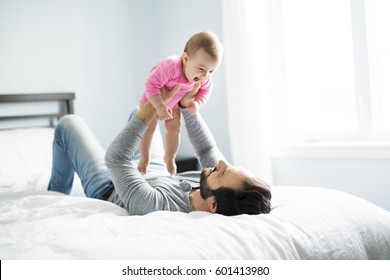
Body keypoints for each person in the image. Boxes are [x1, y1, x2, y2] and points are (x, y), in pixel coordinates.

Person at [48, 86, 272, 216]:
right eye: (227, 167)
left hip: (109, 184)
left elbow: (116, 160)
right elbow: (206, 149)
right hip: (157, 170)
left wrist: (153, 106)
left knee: (68, 123)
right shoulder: (214, 186)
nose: (221, 164)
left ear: (213, 205)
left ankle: (54, 193)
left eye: (223, 172)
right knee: (139, 112)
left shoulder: (159, 208)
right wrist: (186, 105)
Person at [138, 31, 223, 175]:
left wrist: (197, 103)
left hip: (173, 105)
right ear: (185, 59)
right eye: (201, 69)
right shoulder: (170, 67)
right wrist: (159, 106)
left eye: (211, 71)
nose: (205, 76)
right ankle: (145, 158)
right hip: (152, 100)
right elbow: (150, 85)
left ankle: (170, 158)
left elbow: (205, 92)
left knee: (174, 129)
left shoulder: (204, 79)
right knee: (148, 130)